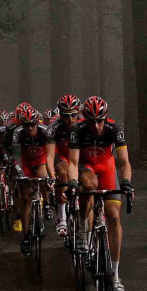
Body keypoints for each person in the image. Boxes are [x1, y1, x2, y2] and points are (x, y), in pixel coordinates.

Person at [72, 95, 132, 291]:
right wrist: (73, 183)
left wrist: (126, 182)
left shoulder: (114, 129)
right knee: (88, 185)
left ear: (105, 117)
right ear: (85, 119)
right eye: (92, 121)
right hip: (87, 166)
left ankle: (115, 276)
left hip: (106, 167)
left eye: (100, 120)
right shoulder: (77, 130)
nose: (97, 126)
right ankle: (83, 227)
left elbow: (124, 162)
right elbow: (73, 162)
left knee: (114, 217)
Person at [0, 102, 55, 255]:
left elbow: (50, 156)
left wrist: (52, 176)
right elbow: (16, 156)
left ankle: (47, 203)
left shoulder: (45, 131)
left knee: (43, 175)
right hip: (26, 163)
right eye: (26, 124)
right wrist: (20, 173)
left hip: (41, 161)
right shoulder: (17, 132)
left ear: (38, 122)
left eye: (33, 124)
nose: (29, 128)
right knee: (27, 198)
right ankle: (26, 237)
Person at [50, 94, 81, 236]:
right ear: (60, 115)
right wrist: (51, 176)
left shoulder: (84, 124)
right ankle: (62, 218)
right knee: (62, 172)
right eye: (66, 115)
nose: (70, 119)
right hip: (61, 155)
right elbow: (49, 155)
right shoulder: (54, 128)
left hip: (79, 156)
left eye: (73, 115)